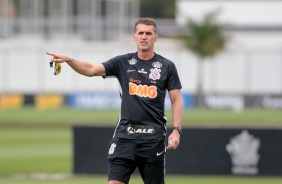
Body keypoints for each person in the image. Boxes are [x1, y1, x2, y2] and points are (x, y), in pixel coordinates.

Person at [46, 17, 183, 184]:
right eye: (140, 33)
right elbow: (91, 70)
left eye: (148, 33)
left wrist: (176, 130)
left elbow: (176, 100)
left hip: (153, 139)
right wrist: (70, 60)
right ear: (134, 37)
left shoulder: (167, 66)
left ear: (156, 38)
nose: (144, 37)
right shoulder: (123, 62)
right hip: (124, 137)